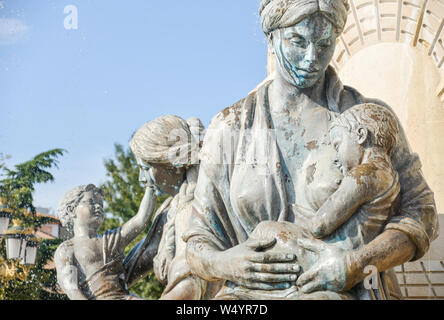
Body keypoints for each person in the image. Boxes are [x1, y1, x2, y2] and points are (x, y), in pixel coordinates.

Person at [184, 0, 439, 300]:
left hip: (343, 291)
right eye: (298, 41)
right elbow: (198, 239)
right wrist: (225, 263)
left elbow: (421, 213)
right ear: (272, 37)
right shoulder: (229, 128)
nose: (312, 57)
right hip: (247, 295)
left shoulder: (367, 119)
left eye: (324, 43)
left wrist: (355, 264)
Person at [123, 115, 223, 300]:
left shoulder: (191, 211)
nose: (141, 179)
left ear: (173, 165)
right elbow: (131, 267)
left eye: (145, 168)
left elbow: (189, 286)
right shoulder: (172, 210)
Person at [54, 183, 156, 300]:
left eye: (101, 204)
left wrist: (150, 185)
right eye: (91, 202)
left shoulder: (110, 239)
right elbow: (72, 289)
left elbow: (141, 220)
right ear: (71, 210)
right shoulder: (66, 249)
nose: (98, 206)